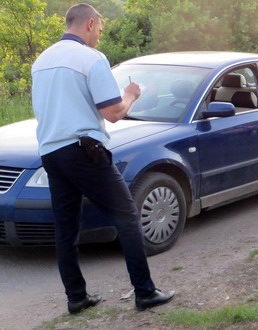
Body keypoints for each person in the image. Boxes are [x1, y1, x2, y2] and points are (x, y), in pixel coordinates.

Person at [31, 3, 174, 314]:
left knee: (66, 230)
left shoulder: (41, 60)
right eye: (100, 30)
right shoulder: (91, 59)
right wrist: (132, 93)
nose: (99, 36)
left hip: (51, 153)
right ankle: (145, 292)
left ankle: (76, 298)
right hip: (84, 150)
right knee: (127, 216)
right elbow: (113, 113)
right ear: (90, 24)